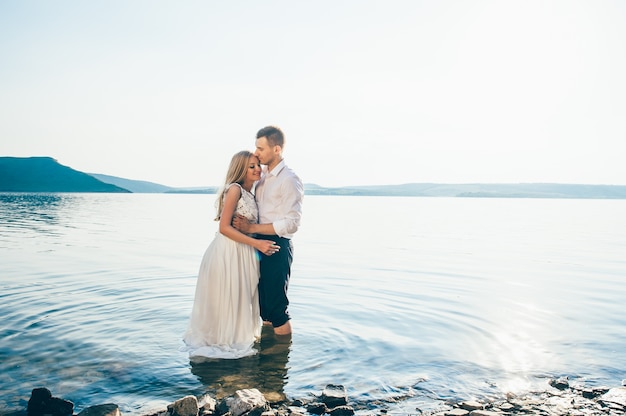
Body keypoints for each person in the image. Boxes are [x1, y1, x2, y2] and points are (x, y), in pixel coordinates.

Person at [183, 150, 281, 359]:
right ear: (240, 170)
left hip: (244, 254)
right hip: (228, 252)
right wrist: (257, 243)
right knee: (228, 297)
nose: (257, 169)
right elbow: (224, 228)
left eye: (257, 165)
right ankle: (222, 341)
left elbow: (247, 226)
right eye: (251, 166)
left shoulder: (252, 193)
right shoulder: (234, 190)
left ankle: (236, 338)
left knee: (241, 297)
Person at [233, 126, 303, 336]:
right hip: (257, 245)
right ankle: (267, 358)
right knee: (264, 307)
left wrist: (250, 228)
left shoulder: (289, 179)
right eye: (256, 147)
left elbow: (292, 223)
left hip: (276, 245)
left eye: (261, 148)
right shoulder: (261, 176)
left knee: (277, 309)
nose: (256, 153)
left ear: (277, 149)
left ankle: (280, 363)